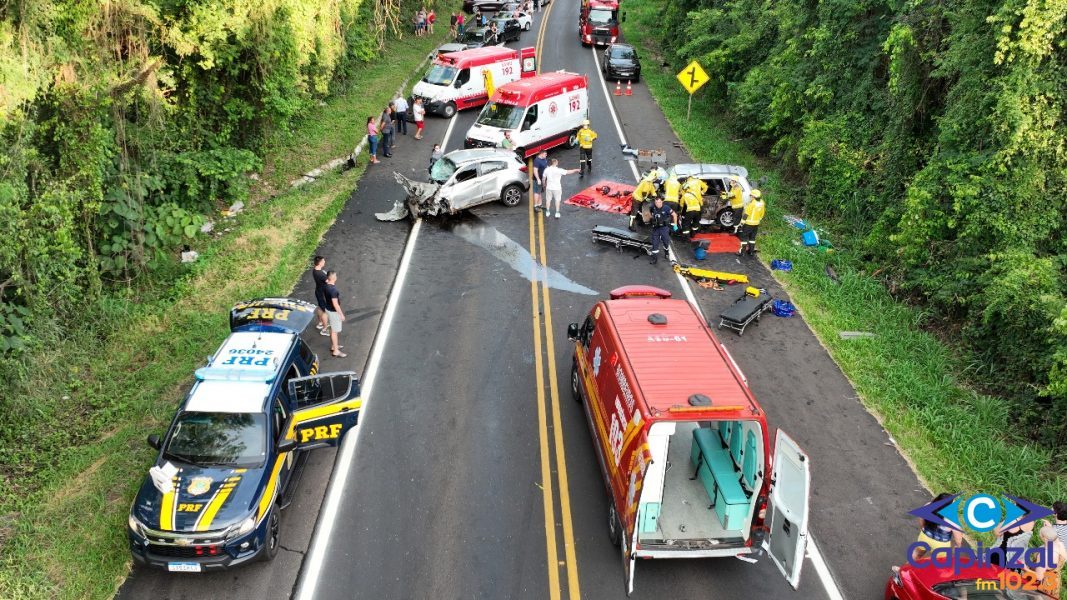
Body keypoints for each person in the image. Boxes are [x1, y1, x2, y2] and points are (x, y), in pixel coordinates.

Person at [910, 493, 965, 562]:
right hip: (940, 545)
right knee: (939, 563)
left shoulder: (929, 505)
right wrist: (957, 546)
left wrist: (923, 529)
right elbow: (958, 538)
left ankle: (903, 571)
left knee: (917, 554)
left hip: (924, 537)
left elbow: (921, 518)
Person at [1031, 525, 1066, 596]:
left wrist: (1024, 568)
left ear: (1043, 538)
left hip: (1043, 585)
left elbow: (1039, 577)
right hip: (1054, 581)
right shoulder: (1060, 546)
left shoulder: (1044, 554)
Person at [323, 271, 347, 358]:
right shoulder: (333, 290)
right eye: (335, 275)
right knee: (334, 331)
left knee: (332, 329)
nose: (336, 276)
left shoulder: (326, 286)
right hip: (333, 312)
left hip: (327, 309)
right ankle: (336, 351)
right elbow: (335, 304)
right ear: (333, 278)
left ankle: (334, 346)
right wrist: (341, 314)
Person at [648, 196, 678, 265]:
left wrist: (675, 224)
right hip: (656, 228)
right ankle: (654, 258)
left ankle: (666, 252)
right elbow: (650, 214)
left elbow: (674, 215)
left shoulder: (666, 208)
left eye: (659, 202)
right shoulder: (653, 207)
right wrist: (651, 220)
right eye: (656, 202)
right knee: (655, 243)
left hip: (664, 228)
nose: (657, 204)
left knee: (665, 242)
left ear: (662, 202)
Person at [737, 189, 765, 256]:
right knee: (752, 238)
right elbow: (762, 213)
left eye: (751, 196)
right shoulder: (762, 202)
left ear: (754, 196)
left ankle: (741, 252)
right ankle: (751, 251)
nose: (751, 197)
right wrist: (758, 220)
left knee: (743, 237)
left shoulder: (752, 204)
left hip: (749, 224)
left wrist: (741, 224)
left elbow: (746, 214)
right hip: (756, 223)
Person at [311, 256, 330, 335]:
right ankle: (324, 330)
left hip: (318, 292)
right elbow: (329, 281)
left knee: (320, 308)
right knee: (325, 312)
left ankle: (320, 323)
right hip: (322, 294)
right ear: (320, 263)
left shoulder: (315, 270)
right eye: (323, 261)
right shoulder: (321, 274)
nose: (324, 262)